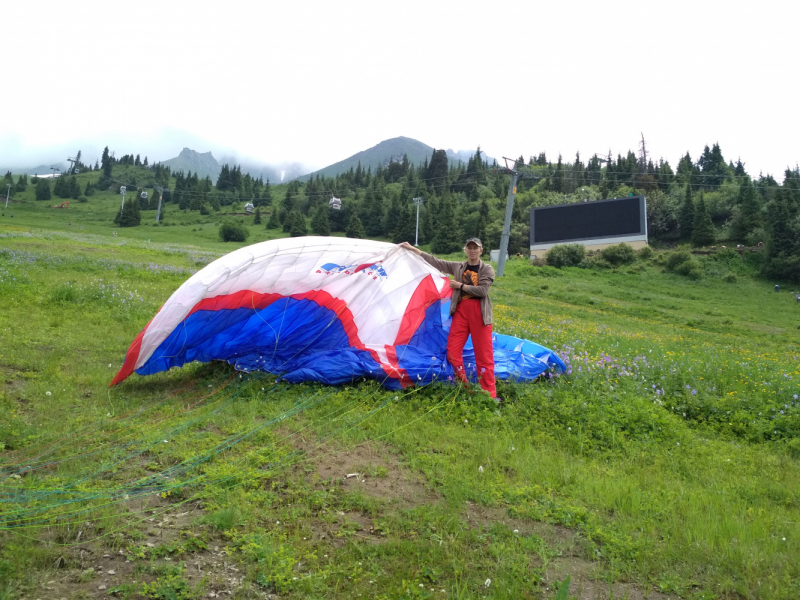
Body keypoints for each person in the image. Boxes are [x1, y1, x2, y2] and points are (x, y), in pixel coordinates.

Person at [399, 238, 497, 399]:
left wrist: (461, 286)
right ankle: (464, 386)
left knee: (484, 356)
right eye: (469, 247)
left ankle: (489, 395)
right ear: (465, 250)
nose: (472, 250)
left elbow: (483, 291)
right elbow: (436, 262)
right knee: (452, 351)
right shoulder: (458, 266)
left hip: (480, 314)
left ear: (481, 250)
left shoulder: (487, 269)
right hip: (460, 312)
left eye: (475, 248)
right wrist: (413, 249)